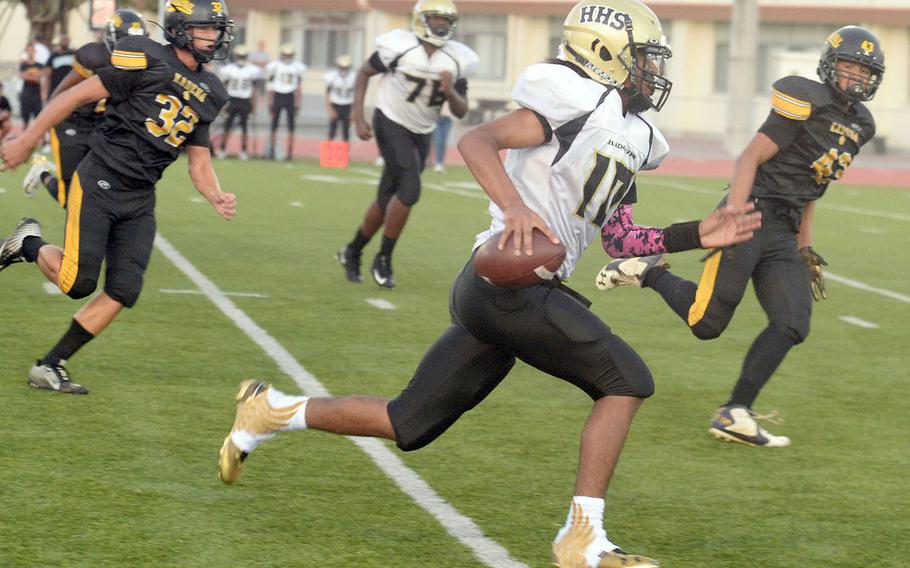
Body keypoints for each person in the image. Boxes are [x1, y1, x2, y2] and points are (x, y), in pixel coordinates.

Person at [218, 2, 761, 566]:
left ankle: (273, 409)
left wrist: (699, 233)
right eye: (644, 59)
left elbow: (621, 240)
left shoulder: (636, 133)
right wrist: (515, 208)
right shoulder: (572, 96)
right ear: (605, 55)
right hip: (508, 285)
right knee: (626, 381)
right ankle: (581, 539)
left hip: (501, 293)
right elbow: (478, 140)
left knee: (409, 422)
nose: (653, 71)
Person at [595, 25, 883, 448]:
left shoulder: (862, 123)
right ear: (830, 65)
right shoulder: (807, 99)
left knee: (792, 322)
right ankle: (648, 270)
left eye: (864, 69)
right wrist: (734, 213)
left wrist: (804, 243)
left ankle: (735, 412)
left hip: (784, 230)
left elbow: (812, 187)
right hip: (751, 213)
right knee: (706, 323)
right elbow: (750, 157)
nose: (856, 76)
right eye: (849, 65)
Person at [0, 0, 237, 394]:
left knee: (125, 289)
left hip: (141, 197)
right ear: (179, 29)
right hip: (101, 180)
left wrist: (215, 194)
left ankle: (50, 365)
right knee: (77, 283)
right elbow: (73, 97)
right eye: (205, 28)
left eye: (216, 29)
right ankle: (28, 243)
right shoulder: (146, 58)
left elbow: (198, 160)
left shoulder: (211, 90)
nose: (213, 36)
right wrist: (27, 139)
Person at [335, 0, 477, 288]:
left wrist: (450, 90)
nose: (440, 24)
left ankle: (352, 250)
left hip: (423, 129)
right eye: (434, 18)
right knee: (410, 191)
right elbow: (364, 72)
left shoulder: (457, 59)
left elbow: (461, 110)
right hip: (389, 120)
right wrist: (357, 116)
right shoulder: (399, 46)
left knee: (388, 197)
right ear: (421, 20)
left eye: (444, 20)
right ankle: (384, 258)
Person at [22, 9, 148, 206]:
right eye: (126, 41)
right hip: (72, 122)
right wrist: (42, 126)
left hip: (103, 126)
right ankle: (42, 174)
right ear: (111, 38)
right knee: (70, 201)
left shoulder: (145, 64)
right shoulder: (94, 56)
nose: (133, 47)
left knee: (99, 193)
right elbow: (61, 93)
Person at [218, 44, 261, 160]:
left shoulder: (233, 69)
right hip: (234, 100)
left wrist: (253, 105)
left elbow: (253, 90)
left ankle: (243, 150)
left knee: (243, 127)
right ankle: (222, 149)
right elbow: (223, 89)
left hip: (242, 100)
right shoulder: (247, 69)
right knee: (227, 127)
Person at [265, 44, 306, 160]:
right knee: (273, 127)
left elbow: (299, 87)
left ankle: (290, 153)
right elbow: (270, 86)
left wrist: (298, 103)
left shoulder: (297, 67)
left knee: (291, 127)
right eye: (286, 55)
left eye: (289, 55)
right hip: (278, 96)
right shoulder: (275, 66)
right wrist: (270, 102)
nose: (287, 57)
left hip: (290, 96)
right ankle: (272, 151)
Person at [324, 54, 355, 142]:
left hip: (347, 105)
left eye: (346, 67)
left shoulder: (353, 77)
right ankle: (329, 154)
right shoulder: (332, 76)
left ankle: (345, 155)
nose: (344, 70)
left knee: (346, 132)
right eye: (342, 67)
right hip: (335, 105)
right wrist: (330, 109)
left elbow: (356, 96)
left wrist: (353, 111)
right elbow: (327, 94)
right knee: (332, 132)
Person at [19, 44, 46, 128]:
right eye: (29, 50)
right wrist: (34, 75)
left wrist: (28, 74)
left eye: (32, 50)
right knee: (25, 119)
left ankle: (39, 139)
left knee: (38, 118)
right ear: (27, 52)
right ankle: (24, 138)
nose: (30, 52)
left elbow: (39, 78)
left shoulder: (40, 65)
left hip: (36, 94)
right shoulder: (23, 65)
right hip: (26, 94)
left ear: (34, 51)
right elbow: (22, 76)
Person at [432, 107, 452, 173]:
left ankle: (439, 163)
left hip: (447, 118)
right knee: (438, 141)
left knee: (442, 142)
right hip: (436, 117)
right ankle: (437, 163)